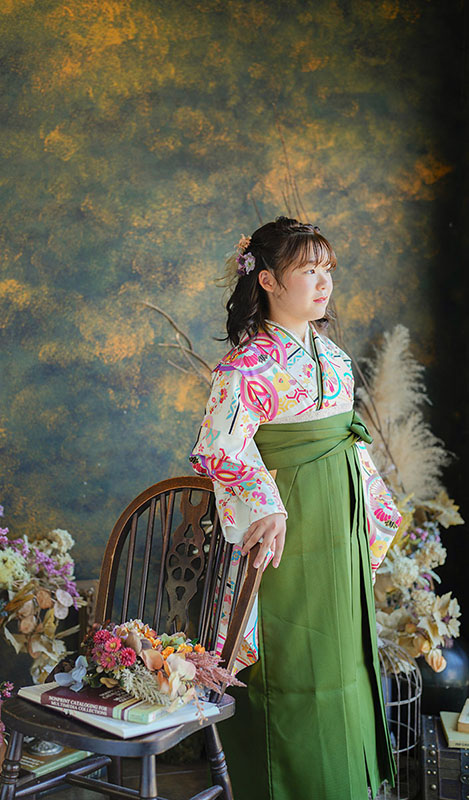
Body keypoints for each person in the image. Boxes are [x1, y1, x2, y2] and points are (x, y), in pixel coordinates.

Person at [189, 216, 402, 800]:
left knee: (343, 658)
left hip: (341, 520)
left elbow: (348, 441)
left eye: (326, 269)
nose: (323, 282)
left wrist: (373, 507)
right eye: (308, 270)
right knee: (288, 665)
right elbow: (220, 447)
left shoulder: (334, 358)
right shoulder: (245, 367)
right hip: (286, 528)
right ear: (267, 280)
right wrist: (267, 507)